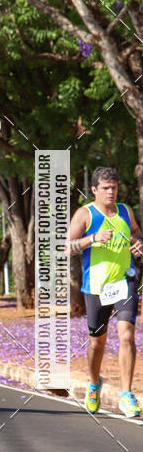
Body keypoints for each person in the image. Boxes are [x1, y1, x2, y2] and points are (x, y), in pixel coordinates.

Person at [68, 166, 143, 418]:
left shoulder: (125, 211)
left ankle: (126, 394)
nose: (111, 192)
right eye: (105, 188)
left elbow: (136, 232)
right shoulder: (85, 214)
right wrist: (93, 239)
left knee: (127, 335)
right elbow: (66, 247)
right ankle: (93, 384)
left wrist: (139, 243)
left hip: (124, 282)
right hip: (96, 287)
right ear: (94, 190)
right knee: (97, 342)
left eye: (114, 188)